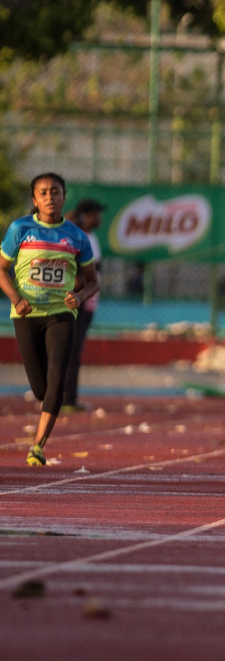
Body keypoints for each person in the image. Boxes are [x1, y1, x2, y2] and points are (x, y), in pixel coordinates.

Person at [0, 174, 99, 466]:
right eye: (42, 192)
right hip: (27, 313)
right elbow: (2, 269)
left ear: (63, 196)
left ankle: (38, 446)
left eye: (54, 192)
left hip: (61, 313)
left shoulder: (77, 236)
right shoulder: (21, 229)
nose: (49, 197)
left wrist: (79, 298)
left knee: (57, 377)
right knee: (41, 389)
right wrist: (16, 299)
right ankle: (44, 418)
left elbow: (93, 281)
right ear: (34, 200)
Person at [61, 197, 106, 412]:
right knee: (69, 350)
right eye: (95, 214)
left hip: (86, 302)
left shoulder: (90, 238)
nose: (99, 218)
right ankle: (64, 397)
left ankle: (69, 396)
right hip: (74, 302)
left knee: (74, 350)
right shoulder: (76, 240)